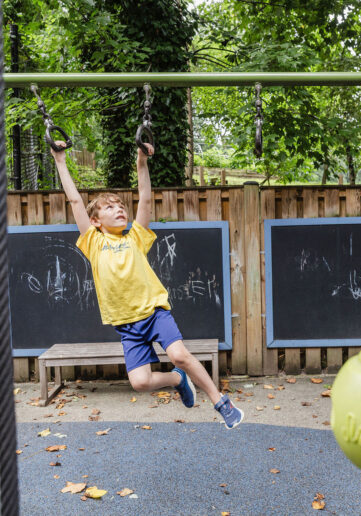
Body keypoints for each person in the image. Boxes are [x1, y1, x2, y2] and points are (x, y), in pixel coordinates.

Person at [50, 141, 244, 429]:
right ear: (95, 221)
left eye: (120, 206)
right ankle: (178, 380)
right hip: (127, 325)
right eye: (110, 208)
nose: (119, 210)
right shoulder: (93, 242)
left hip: (154, 312)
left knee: (178, 354)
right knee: (140, 382)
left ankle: (220, 401)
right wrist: (60, 160)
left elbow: (145, 199)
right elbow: (76, 201)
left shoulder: (135, 237)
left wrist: (142, 162)